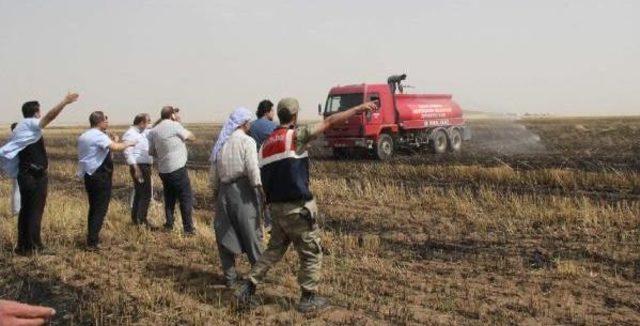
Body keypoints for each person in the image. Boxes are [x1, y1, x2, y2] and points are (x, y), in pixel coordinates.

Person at [235, 98, 376, 312]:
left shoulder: (264, 146)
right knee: (311, 252)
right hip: (297, 208)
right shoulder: (294, 136)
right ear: (294, 116)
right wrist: (358, 108)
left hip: (276, 209)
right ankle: (308, 298)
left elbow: (263, 181)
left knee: (273, 251)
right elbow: (330, 122)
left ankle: (248, 286)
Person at [0, 93, 79, 255]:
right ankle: (34, 246)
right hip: (33, 175)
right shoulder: (30, 124)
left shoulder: (22, 126)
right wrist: (64, 102)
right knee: (35, 209)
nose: (41, 114)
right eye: (39, 111)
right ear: (36, 112)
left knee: (27, 209)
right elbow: (49, 118)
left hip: (27, 173)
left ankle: (23, 246)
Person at [210, 107, 265, 288]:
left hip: (223, 192)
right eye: (249, 122)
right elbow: (252, 168)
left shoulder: (221, 143)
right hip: (243, 191)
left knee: (224, 234)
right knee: (251, 233)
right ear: (245, 124)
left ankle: (230, 277)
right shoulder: (247, 142)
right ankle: (258, 275)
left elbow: (213, 174)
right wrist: (260, 189)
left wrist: (216, 194)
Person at [77, 111, 135, 250]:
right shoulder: (98, 136)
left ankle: (92, 237)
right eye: (106, 120)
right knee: (100, 209)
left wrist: (113, 140)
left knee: (94, 207)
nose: (108, 123)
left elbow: (104, 151)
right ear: (100, 122)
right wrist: (128, 143)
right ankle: (92, 242)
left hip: (89, 174)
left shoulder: (85, 135)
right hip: (100, 175)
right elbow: (116, 148)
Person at [147, 106, 196, 235]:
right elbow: (191, 137)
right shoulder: (175, 126)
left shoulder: (154, 131)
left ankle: (169, 224)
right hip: (178, 168)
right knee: (185, 198)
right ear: (172, 115)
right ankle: (188, 229)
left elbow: (151, 151)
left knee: (169, 198)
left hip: (163, 170)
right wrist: (179, 124)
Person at [122, 113, 155, 228]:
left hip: (144, 166)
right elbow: (127, 152)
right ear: (141, 123)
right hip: (139, 167)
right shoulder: (130, 134)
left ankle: (136, 218)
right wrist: (135, 169)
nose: (150, 123)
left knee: (140, 193)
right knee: (145, 194)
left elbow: (153, 126)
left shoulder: (142, 132)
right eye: (148, 121)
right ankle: (142, 220)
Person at [9, 123, 20, 217]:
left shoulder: (11, 138)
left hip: (13, 166)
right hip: (19, 167)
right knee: (17, 189)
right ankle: (16, 211)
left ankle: (16, 210)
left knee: (16, 189)